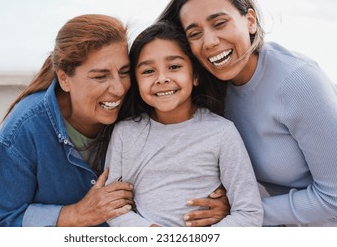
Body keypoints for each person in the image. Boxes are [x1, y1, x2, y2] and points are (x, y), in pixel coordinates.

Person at [158, 0, 337, 226]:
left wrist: (241, 210)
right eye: (195, 33)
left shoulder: (298, 81)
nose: (209, 42)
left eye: (219, 23)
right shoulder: (212, 88)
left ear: (250, 21)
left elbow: (334, 197)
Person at [0, 14, 135, 227]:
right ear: (64, 78)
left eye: (124, 72)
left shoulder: (134, 107)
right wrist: (76, 215)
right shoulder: (24, 126)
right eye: (100, 76)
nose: (119, 88)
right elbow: (1, 222)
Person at [104, 21, 263, 227]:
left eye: (174, 67)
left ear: (195, 75)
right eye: (148, 71)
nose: (161, 79)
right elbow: (112, 207)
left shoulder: (221, 132)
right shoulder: (125, 133)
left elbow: (249, 213)